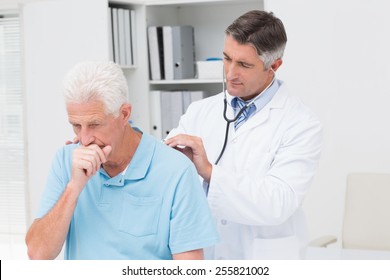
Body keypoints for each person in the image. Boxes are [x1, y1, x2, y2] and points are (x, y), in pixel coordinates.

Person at [165, 10, 323, 259]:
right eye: (227, 58)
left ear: (274, 66)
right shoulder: (200, 111)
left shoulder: (301, 124)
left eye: (244, 65)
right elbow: (166, 170)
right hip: (206, 254)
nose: (230, 73)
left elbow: (278, 202)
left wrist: (209, 171)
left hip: (264, 259)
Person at [25, 61, 219, 260]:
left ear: (124, 114)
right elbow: (38, 254)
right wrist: (74, 188)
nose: (84, 139)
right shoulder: (66, 160)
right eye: (76, 125)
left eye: (94, 124)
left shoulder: (175, 170)